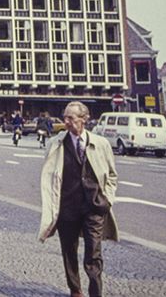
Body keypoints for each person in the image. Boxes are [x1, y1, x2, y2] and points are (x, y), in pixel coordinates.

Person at [39, 101, 118, 297]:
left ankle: (95, 292)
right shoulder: (55, 144)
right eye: (64, 117)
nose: (66, 121)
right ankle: (75, 289)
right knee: (69, 249)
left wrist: (107, 199)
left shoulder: (101, 144)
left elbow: (112, 175)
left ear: (84, 120)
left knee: (93, 252)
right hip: (67, 207)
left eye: (71, 118)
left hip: (94, 206)